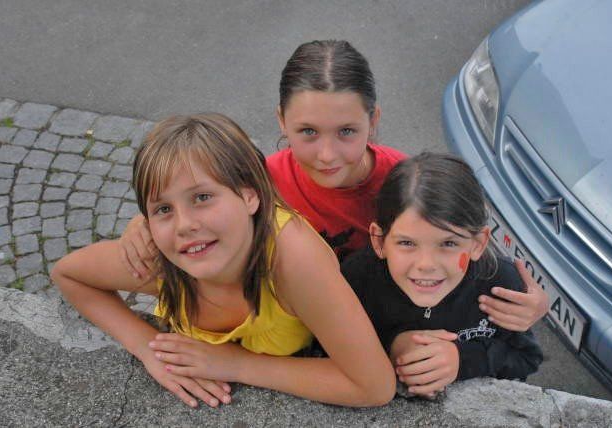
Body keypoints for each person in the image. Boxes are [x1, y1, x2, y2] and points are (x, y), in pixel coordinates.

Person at [118, 40, 547, 333]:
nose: (327, 155)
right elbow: (193, 202)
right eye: (307, 132)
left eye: (346, 132)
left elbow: (462, 243)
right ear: (281, 121)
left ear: (373, 121)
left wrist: (533, 303)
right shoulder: (259, 181)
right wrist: (144, 223)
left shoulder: (406, 184)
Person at [51, 113, 396, 409]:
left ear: (249, 196)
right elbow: (69, 275)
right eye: (163, 209)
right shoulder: (159, 259)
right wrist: (147, 347)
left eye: (202, 197)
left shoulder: (293, 262)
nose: (184, 225)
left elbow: (374, 386)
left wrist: (237, 364)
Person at [342, 152, 543, 398]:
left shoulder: (500, 285)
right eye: (407, 243)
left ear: (478, 244)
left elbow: (527, 357)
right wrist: (390, 347)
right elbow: (327, 349)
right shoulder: (357, 280)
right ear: (379, 241)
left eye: (448, 244)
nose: (426, 265)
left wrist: (462, 359)